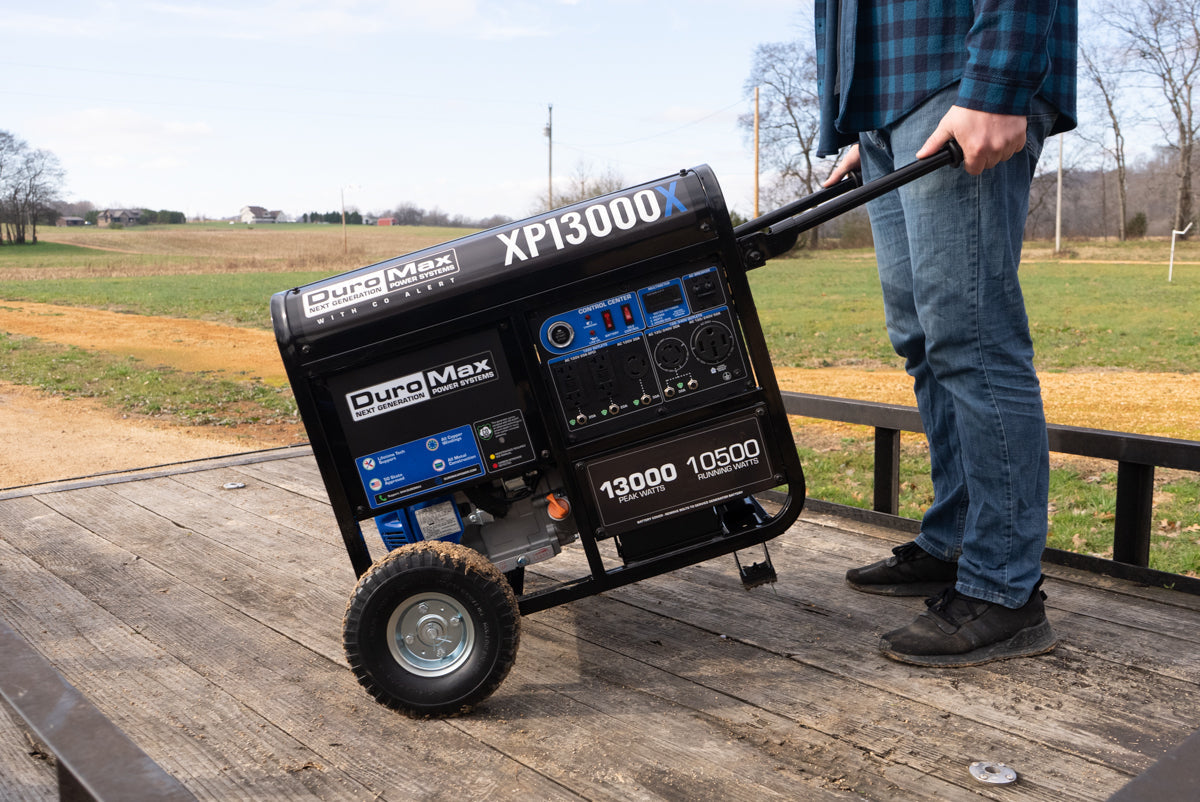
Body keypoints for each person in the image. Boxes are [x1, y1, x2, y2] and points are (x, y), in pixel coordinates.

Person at [813, 0, 1077, 666]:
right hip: (885, 102)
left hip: (955, 75)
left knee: (972, 339)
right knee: (922, 340)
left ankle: (1004, 591)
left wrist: (995, 82)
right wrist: (861, 117)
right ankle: (956, 540)